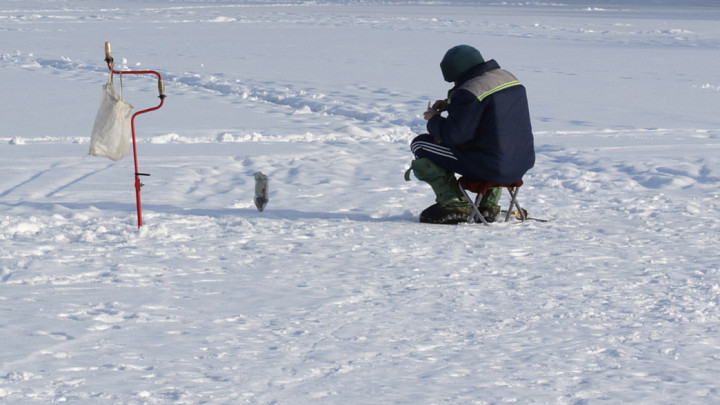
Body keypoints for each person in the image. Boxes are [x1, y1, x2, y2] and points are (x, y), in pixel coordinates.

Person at [405, 45, 535, 224]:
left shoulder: (469, 91)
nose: (454, 84)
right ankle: (488, 205)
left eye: (454, 81)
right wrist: (451, 104)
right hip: (520, 162)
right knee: (494, 142)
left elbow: (454, 136)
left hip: (490, 166)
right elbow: (487, 114)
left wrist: (434, 119)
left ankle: (454, 203)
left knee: (420, 144)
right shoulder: (508, 78)